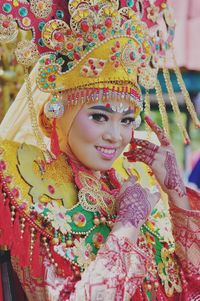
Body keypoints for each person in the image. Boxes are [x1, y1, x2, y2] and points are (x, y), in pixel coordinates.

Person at [0, 0, 199, 300]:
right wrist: (128, 224)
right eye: (99, 116)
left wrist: (176, 194)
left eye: (127, 120)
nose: (116, 136)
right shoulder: (30, 189)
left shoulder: (141, 183)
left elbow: (192, 283)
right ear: (58, 111)